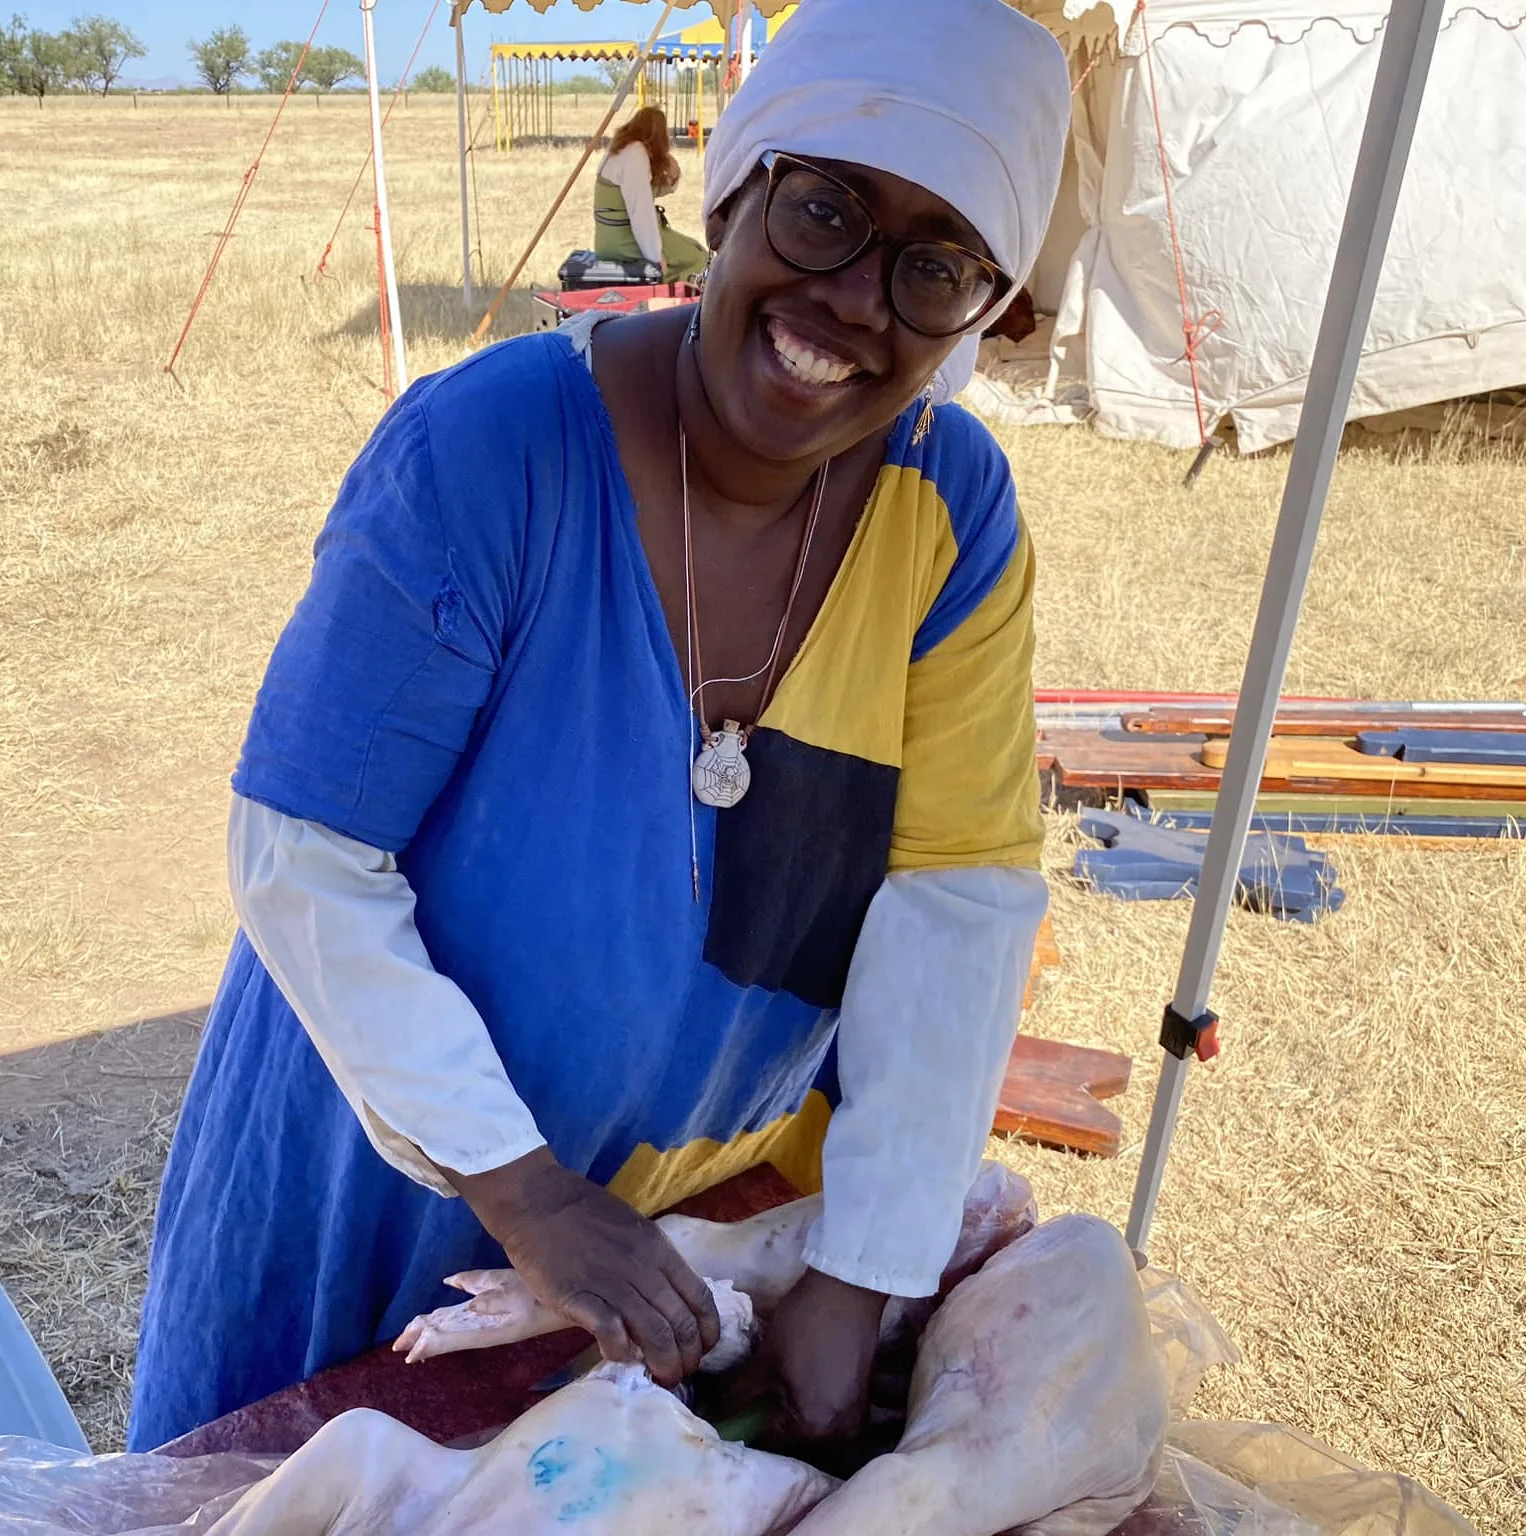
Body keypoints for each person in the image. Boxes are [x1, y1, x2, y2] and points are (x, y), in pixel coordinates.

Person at [128, 0, 1071, 1458]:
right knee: (285, 1477)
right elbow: (302, 855)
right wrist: (522, 1189)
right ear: (735, 190)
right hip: (368, 1175)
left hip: (683, 1212)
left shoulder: (952, 518)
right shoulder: (490, 450)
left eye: (935, 266)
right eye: (823, 209)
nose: (856, 300)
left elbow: (959, 897)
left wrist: (860, 1268)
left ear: (982, 311)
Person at [593, 105, 708, 282]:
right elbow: (641, 211)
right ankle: (670, 297)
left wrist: (672, 177)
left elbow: (641, 193)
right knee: (699, 260)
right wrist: (655, 256)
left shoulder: (622, 149)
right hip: (624, 240)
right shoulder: (635, 153)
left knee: (695, 249)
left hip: (608, 239)